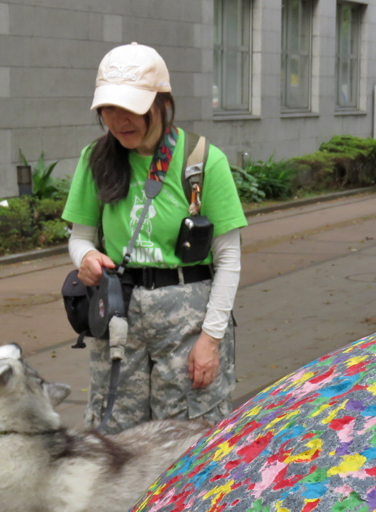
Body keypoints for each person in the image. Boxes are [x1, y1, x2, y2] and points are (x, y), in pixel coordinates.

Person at [63, 43, 246, 433]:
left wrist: (210, 340)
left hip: (188, 322)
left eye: (131, 108)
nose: (118, 120)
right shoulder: (95, 159)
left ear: (162, 103)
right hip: (117, 318)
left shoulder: (201, 160)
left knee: (188, 435)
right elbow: (80, 238)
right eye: (108, 109)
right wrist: (86, 258)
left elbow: (229, 258)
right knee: (114, 436)